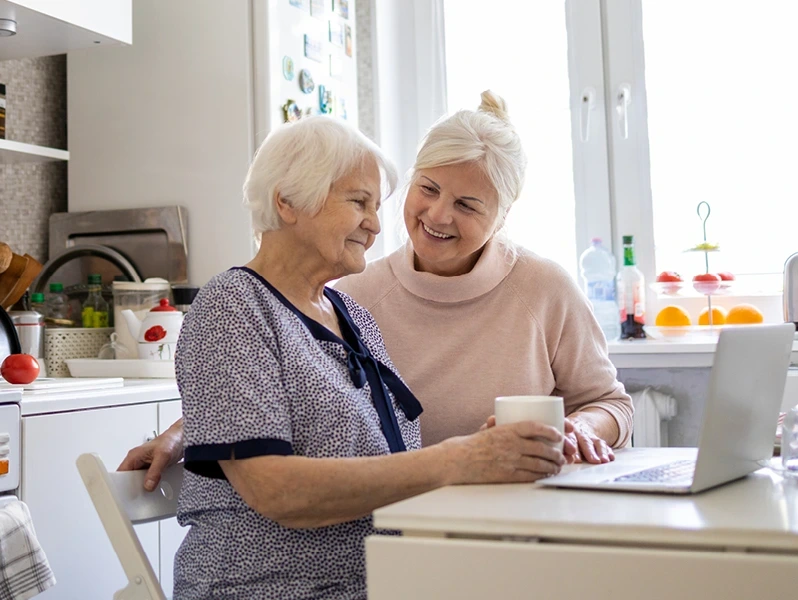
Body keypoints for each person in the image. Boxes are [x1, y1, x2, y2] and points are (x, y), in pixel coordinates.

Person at [120, 90, 632, 490]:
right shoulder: (352, 294)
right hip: (409, 528)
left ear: (501, 217)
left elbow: (610, 403)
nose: (437, 216)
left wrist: (583, 429)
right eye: (428, 189)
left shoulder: (542, 289)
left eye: (468, 205)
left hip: (500, 516)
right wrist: (190, 430)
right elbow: (276, 394)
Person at [169, 116, 565, 599]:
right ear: (287, 201)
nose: (377, 225)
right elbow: (276, 490)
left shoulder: (350, 314)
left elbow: (384, 464)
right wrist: (457, 459)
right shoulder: (234, 305)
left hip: (385, 581)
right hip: (273, 588)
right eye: (359, 202)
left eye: (377, 207)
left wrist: (482, 454)